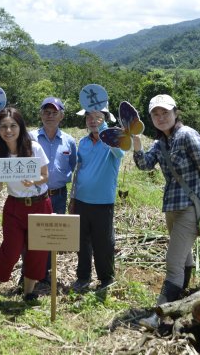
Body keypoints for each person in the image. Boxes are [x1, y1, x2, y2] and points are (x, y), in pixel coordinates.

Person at [132, 94, 200, 330]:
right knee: (184, 256)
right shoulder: (159, 144)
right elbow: (144, 165)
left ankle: (160, 317)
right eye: (155, 114)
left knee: (173, 262)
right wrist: (137, 144)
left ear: (175, 113)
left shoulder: (187, 135)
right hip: (172, 207)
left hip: (190, 208)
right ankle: (180, 301)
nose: (161, 117)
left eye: (165, 112)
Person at [0, 107, 52, 305]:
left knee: (37, 250)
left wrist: (35, 180)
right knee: (10, 249)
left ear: (20, 127)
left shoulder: (34, 148)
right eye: (3, 126)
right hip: (14, 206)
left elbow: (46, 176)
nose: (8, 130)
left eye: (13, 126)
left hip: (40, 204)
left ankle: (28, 292)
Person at [70, 103, 124, 293]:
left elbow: (119, 153)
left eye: (97, 116)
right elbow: (78, 171)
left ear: (106, 118)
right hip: (82, 200)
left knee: (103, 242)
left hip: (103, 202)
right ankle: (83, 277)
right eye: (89, 117)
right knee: (82, 241)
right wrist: (73, 197)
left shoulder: (114, 139)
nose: (93, 120)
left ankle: (106, 278)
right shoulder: (83, 143)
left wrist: (106, 135)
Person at [27, 96, 77, 284]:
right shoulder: (30, 137)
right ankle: (29, 272)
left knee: (51, 236)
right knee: (31, 233)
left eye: (54, 113)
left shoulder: (69, 141)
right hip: (34, 194)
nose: (50, 116)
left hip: (58, 195)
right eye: (46, 112)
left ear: (61, 116)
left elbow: (74, 165)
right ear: (40, 114)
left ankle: (45, 273)